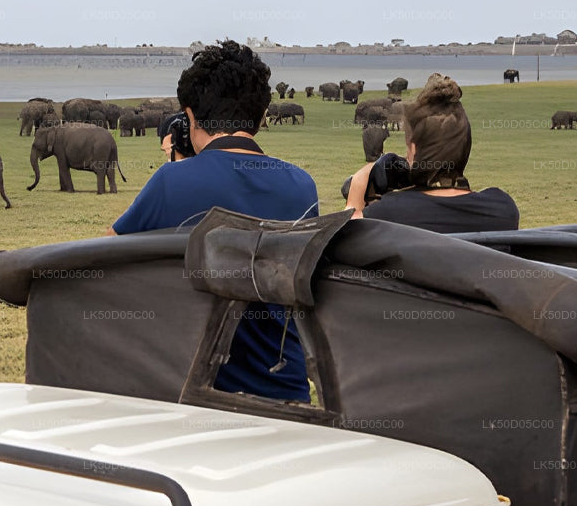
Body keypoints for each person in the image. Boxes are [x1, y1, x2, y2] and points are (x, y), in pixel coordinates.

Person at [107, 40, 319, 402]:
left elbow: (105, 256)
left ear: (190, 117)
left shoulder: (171, 182)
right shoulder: (302, 186)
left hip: (190, 390)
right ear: (262, 116)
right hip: (283, 392)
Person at [345, 73, 518, 233]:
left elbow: (348, 234)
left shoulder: (388, 213)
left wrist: (360, 181)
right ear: (465, 148)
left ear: (413, 150)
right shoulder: (502, 209)